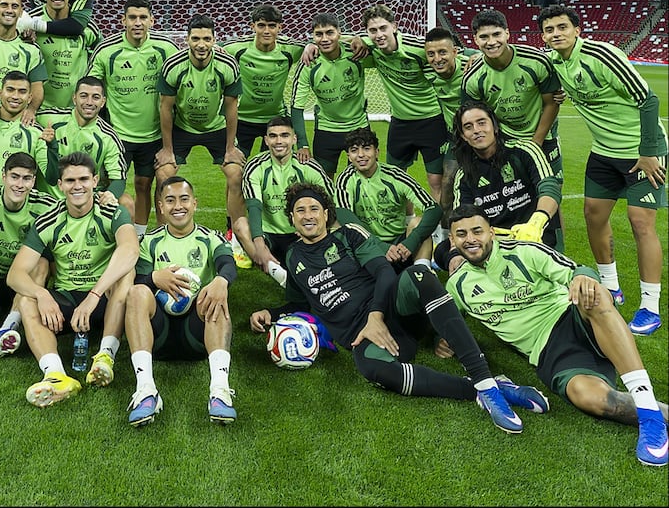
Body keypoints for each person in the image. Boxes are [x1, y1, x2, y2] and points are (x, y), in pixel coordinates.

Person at [249, 182, 548, 434]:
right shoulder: (293, 257)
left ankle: (482, 376)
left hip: (393, 310)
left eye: (314, 209)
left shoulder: (349, 235)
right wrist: (271, 314)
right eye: (300, 210)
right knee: (373, 370)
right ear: (291, 218)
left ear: (326, 214)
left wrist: (376, 316)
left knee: (419, 275)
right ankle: (486, 389)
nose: (308, 215)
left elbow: (384, 272)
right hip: (365, 336)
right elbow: (301, 303)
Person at [446, 204, 668, 467]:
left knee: (592, 294)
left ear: (492, 233)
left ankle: (650, 418)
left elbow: (578, 270)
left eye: (477, 231)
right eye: (461, 234)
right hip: (549, 352)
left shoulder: (524, 251)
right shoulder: (457, 285)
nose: (470, 239)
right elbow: (446, 320)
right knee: (589, 399)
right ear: (452, 240)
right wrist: (443, 339)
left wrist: (581, 278)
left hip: (571, 317)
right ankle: (657, 412)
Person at [538, 4, 667, 336]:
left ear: (577, 29)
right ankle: (611, 286)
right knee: (593, 214)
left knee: (641, 223)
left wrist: (649, 152)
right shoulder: (554, 62)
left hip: (641, 153)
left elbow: (648, 100)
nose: (556, 34)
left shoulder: (602, 55)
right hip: (603, 154)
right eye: (550, 29)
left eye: (562, 27)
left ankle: (650, 306)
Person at [6, 152, 138, 406]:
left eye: (84, 179)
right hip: (66, 300)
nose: (77, 186)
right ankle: (56, 376)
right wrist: (42, 294)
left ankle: (104, 357)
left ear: (95, 180)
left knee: (127, 274)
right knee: (25, 298)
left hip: (105, 301)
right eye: (70, 181)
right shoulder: (48, 220)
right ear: (60, 185)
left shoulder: (112, 211)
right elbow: (15, 274)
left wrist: (94, 295)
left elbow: (130, 250)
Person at [124, 176, 238, 426]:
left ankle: (219, 391)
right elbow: (138, 279)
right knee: (136, 293)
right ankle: (146, 391)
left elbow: (227, 265)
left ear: (195, 203)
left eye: (184, 199)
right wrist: (155, 278)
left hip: (198, 334)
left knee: (216, 293)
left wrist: (221, 281)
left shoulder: (212, 238)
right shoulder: (151, 242)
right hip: (158, 337)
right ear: (161, 207)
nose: (178, 206)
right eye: (170, 200)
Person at [88, 0, 179, 238]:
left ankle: (149, 236)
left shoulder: (166, 48)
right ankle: (102, 236)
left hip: (152, 135)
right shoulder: (107, 51)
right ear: (123, 21)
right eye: (132, 18)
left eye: (142, 18)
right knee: (107, 187)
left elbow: (185, 69)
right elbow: (90, 88)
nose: (137, 22)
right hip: (117, 135)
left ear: (151, 20)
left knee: (144, 185)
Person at [436, 101, 563, 272]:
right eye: (468, 127)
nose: (476, 130)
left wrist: (536, 222)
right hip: (496, 246)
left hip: (537, 237)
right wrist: (455, 255)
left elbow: (549, 188)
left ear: (494, 126)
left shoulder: (525, 151)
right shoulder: (464, 176)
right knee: (444, 251)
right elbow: (461, 220)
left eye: (482, 123)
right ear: (463, 136)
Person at [155, 14, 247, 251]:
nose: (201, 44)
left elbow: (231, 107)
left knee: (236, 174)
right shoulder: (174, 65)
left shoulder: (227, 65)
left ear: (215, 40)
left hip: (216, 127)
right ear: (186, 40)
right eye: (196, 38)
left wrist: (230, 148)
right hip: (182, 128)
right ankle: (163, 239)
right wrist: (167, 149)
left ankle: (236, 241)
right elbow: (165, 108)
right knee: (163, 175)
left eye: (207, 38)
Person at [357, 4, 448, 202]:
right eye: (373, 30)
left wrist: (473, 54)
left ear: (394, 27)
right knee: (394, 178)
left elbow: (447, 50)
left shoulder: (417, 48)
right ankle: (404, 224)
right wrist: (312, 45)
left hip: (431, 120)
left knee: (436, 180)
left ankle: (441, 228)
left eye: (383, 28)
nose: (379, 34)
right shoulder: (371, 50)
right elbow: (337, 41)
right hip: (400, 122)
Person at [234, 117, 336, 286]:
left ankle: (287, 268)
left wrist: (311, 228)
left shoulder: (309, 166)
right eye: (273, 136)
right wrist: (259, 244)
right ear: (266, 140)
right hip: (269, 235)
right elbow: (254, 207)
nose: (279, 141)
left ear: (294, 139)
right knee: (240, 225)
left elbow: (330, 203)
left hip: (299, 234)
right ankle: (277, 274)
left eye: (284, 135)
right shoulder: (255, 166)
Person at [463, 9, 562, 182]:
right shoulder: (473, 78)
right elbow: (475, 117)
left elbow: (552, 103)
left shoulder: (535, 61)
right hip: (505, 141)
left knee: (551, 192)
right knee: (514, 195)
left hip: (544, 136)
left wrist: (535, 143)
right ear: (475, 40)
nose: (491, 42)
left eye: (496, 34)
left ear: (507, 33)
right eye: (484, 37)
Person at [0, 152, 58, 358]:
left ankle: (6, 329)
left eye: (27, 178)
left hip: (22, 282)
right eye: (14, 176)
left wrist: (101, 197)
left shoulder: (45, 205)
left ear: (34, 181)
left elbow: (76, 206)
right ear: (3, 176)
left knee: (42, 263)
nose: (19, 184)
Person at [334, 127, 441, 271]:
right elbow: (345, 218)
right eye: (354, 150)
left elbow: (433, 209)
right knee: (337, 227)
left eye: (366, 149)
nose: (360, 155)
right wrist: (380, 246)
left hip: (400, 246)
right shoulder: (345, 179)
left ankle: (422, 274)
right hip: (367, 244)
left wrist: (410, 242)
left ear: (377, 152)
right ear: (348, 156)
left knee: (418, 223)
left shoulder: (395, 175)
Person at [290, 12, 373, 179]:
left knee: (362, 178)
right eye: (319, 34)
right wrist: (302, 144)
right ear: (312, 36)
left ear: (339, 33)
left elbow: (383, 44)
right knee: (324, 181)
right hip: (327, 129)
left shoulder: (356, 53)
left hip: (358, 127)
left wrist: (359, 37)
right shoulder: (309, 63)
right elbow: (296, 107)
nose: (325, 38)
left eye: (330, 33)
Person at [222, 4, 307, 159]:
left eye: (272, 26)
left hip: (275, 118)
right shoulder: (237, 48)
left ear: (280, 28)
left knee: (277, 166)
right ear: (252, 26)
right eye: (261, 26)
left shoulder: (290, 49)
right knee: (235, 168)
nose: (266, 31)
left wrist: (311, 46)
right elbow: (209, 47)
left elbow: (324, 42)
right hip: (242, 119)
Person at [36, 76, 127, 204]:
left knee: (126, 202)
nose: (89, 102)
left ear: (103, 102)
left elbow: (118, 178)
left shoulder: (108, 137)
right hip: (47, 202)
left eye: (95, 97)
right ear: (74, 98)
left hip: (84, 204)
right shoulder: (48, 119)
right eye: (84, 96)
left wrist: (110, 194)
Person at [22, 0, 101, 110]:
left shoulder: (85, 26)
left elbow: (102, 57)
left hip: (75, 110)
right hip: (39, 108)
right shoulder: (30, 21)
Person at [0, 71, 57, 192]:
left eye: (22, 92)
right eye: (10, 89)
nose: (15, 96)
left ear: (30, 98)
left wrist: (53, 146)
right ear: (0, 93)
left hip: (15, 205)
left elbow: (52, 178)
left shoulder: (35, 132)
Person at [424, 26, 471, 240]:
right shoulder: (427, 73)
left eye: (443, 52)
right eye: (431, 54)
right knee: (447, 184)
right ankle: (444, 239)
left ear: (455, 52)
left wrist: (476, 55)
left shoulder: (472, 67)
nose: (437, 59)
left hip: (481, 137)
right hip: (455, 139)